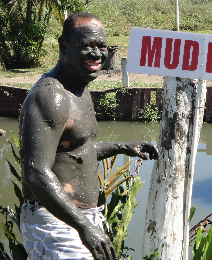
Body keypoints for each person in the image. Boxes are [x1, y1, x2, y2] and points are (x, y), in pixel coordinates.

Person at [18, 12, 159, 260]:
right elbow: (36, 172)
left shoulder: (79, 88)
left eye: (101, 46)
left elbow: (74, 151)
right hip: (55, 221)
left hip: (78, 218)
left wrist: (123, 147)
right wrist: (82, 226)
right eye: (86, 46)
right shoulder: (51, 95)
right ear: (64, 45)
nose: (97, 54)